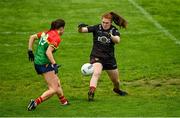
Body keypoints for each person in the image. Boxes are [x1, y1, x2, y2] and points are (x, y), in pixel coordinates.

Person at [78, 12, 128, 101]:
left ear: (111, 22)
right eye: (103, 22)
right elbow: (82, 30)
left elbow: (117, 40)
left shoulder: (113, 30)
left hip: (109, 59)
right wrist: (80, 27)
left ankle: (116, 89)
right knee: (96, 73)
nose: (104, 24)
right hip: (97, 56)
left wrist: (110, 36)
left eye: (107, 23)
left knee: (116, 81)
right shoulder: (97, 27)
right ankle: (91, 92)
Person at [27, 18, 69, 111]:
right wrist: (54, 64)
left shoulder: (46, 33)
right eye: (64, 28)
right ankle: (34, 103)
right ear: (61, 28)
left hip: (38, 62)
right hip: (44, 64)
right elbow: (48, 52)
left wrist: (30, 50)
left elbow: (32, 37)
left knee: (57, 81)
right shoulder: (57, 38)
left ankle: (64, 101)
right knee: (53, 88)